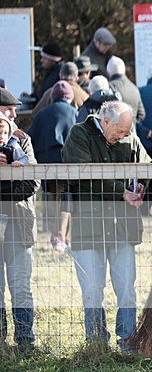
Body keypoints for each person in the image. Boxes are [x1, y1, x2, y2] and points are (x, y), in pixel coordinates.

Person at [61, 101, 150, 350]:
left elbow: (146, 165)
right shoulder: (79, 134)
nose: (122, 135)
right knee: (92, 287)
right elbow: (83, 174)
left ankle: (128, 340)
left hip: (123, 225)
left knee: (126, 287)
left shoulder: (130, 139)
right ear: (106, 120)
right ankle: (96, 343)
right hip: (88, 225)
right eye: (119, 130)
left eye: (126, 131)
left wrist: (140, 187)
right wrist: (121, 192)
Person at [0, 113, 39, 354]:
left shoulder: (22, 144)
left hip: (18, 223)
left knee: (20, 285)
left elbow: (32, 183)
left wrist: (12, 175)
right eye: (8, 109)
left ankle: (25, 340)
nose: (12, 114)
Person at [27, 81, 77, 253]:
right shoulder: (75, 113)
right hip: (68, 164)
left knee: (52, 200)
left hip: (46, 164)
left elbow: (31, 138)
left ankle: (57, 237)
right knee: (66, 200)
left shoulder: (42, 114)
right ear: (69, 97)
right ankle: (64, 238)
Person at [107, 56, 145, 123]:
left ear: (108, 72)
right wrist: (131, 122)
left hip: (114, 131)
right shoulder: (134, 88)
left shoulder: (109, 87)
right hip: (131, 131)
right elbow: (141, 114)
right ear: (124, 70)